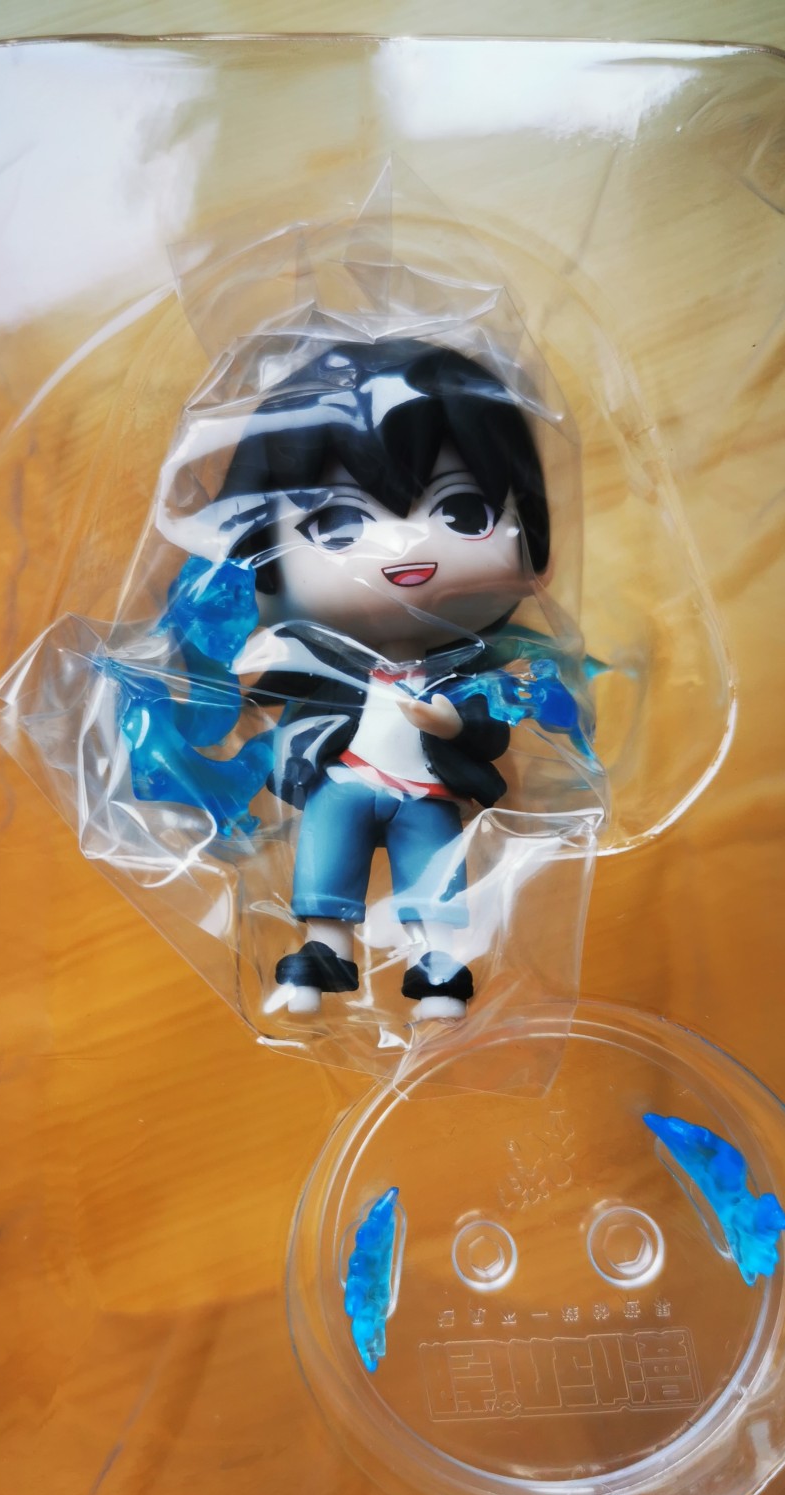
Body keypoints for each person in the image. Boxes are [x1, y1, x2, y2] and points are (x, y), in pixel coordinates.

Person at [214, 336, 553, 1019]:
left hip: (429, 791)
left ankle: (438, 961)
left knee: (433, 863)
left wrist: (451, 722)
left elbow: (490, 728)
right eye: (339, 524)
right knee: (327, 837)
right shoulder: (318, 659)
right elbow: (283, 701)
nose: (404, 550)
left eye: (462, 512)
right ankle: (326, 945)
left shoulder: (475, 666)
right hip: (347, 779)